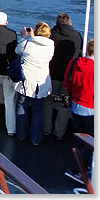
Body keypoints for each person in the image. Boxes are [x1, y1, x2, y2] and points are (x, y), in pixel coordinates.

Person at [14, 22, 55, 145]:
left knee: (22, 106)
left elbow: (18, 50)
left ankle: (21, 135)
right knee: (38, 110)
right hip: (41, 82)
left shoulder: (27, 43)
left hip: (26, 82)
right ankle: (36, 139)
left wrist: (24, 37)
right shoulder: (51, 46)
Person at [45, 12, 83, 141]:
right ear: (70, 22)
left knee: (48, 101)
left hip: (52, 73)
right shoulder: (77, 36)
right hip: (69, 75)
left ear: (57, 22)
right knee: (65, 104)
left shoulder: (51, 35)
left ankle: (46, 129)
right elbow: (79, 53)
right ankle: (59, 132)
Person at [63, 39, 94, 186]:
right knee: (91, 143)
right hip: (91, 108)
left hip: (76, 105)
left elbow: (67, 81)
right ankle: (77, 170)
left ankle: (81, 167)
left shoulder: (74, 63)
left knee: (80, 139)